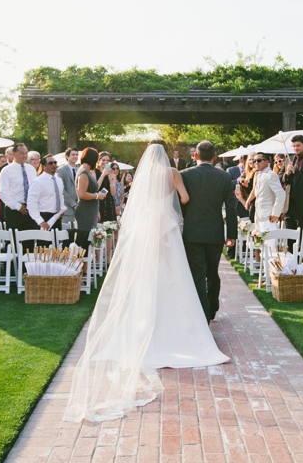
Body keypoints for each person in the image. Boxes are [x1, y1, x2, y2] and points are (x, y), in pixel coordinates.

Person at [64, 144, 228, 423]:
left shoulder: (143, 175)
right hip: (168, 226)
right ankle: (180, 327)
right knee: (174, 276)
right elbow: (185, 199)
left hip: (146, 228)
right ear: (165, 155)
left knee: (147, 275)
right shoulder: (173, 172)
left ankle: (141, 325)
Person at [180, 140, 238, 323]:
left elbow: (180, 206)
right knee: (213, 272)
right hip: (215, 232)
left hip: (192, 233)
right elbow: (231, 208)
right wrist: (232, 235)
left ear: (195, 156)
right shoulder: (224, 177)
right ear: (214, 157)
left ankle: (202, 315)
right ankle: (211, 308)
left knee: (197, 274)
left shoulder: (184, 175)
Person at [0, 143, 39, 244]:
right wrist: (18, 206)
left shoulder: (31, 169)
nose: (24, 156)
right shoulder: (6, 170)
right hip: (14, 211)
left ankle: (27, 260)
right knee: (14, 242)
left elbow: (36, 188)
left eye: (26, 153)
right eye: (21, 153)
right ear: (14, 154)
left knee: (29, 242)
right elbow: (2, 192)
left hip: (30, 210)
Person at [251, 153, 286, 263]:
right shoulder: (258, 175)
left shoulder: (271, 175)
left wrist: (275, 213)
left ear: (267, 161)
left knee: (270, 248)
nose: (256, 163)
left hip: (268, 216)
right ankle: (265, 274)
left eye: (259, 160)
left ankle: (271, 275)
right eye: (254, 161)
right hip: (259, 215)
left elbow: (281, 194)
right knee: (262, 247)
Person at [27, 154, 66, 246]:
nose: (54, 165)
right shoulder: (38, 182)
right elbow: (31, 203)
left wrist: (61, 209)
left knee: (56, 248)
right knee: (44, 250)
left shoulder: (58, 180)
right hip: (44, 218)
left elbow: (61, 196)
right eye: (50, 163)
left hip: (56, 218)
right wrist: (40, 221)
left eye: (55, 163)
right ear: (44, 166)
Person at [74, 147, 107, 250]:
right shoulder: (83, 173)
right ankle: (80, 266)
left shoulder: (87, 171)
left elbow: (95, 186)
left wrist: (103, 174)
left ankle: (85, 266)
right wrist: (97, 196)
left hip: (90, 212)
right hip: (85, 213)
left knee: (88, 246)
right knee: (83, 244)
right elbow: (81, 194)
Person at [59, 148, 79, 231]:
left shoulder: (80, 170)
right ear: (67, 156)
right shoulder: (61, 170)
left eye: (76, 155)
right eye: (73, 155)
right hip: (67, 209)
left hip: (79, 208)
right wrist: (73, 204)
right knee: (66, 235)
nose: (75, 156)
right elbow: (62, 190)